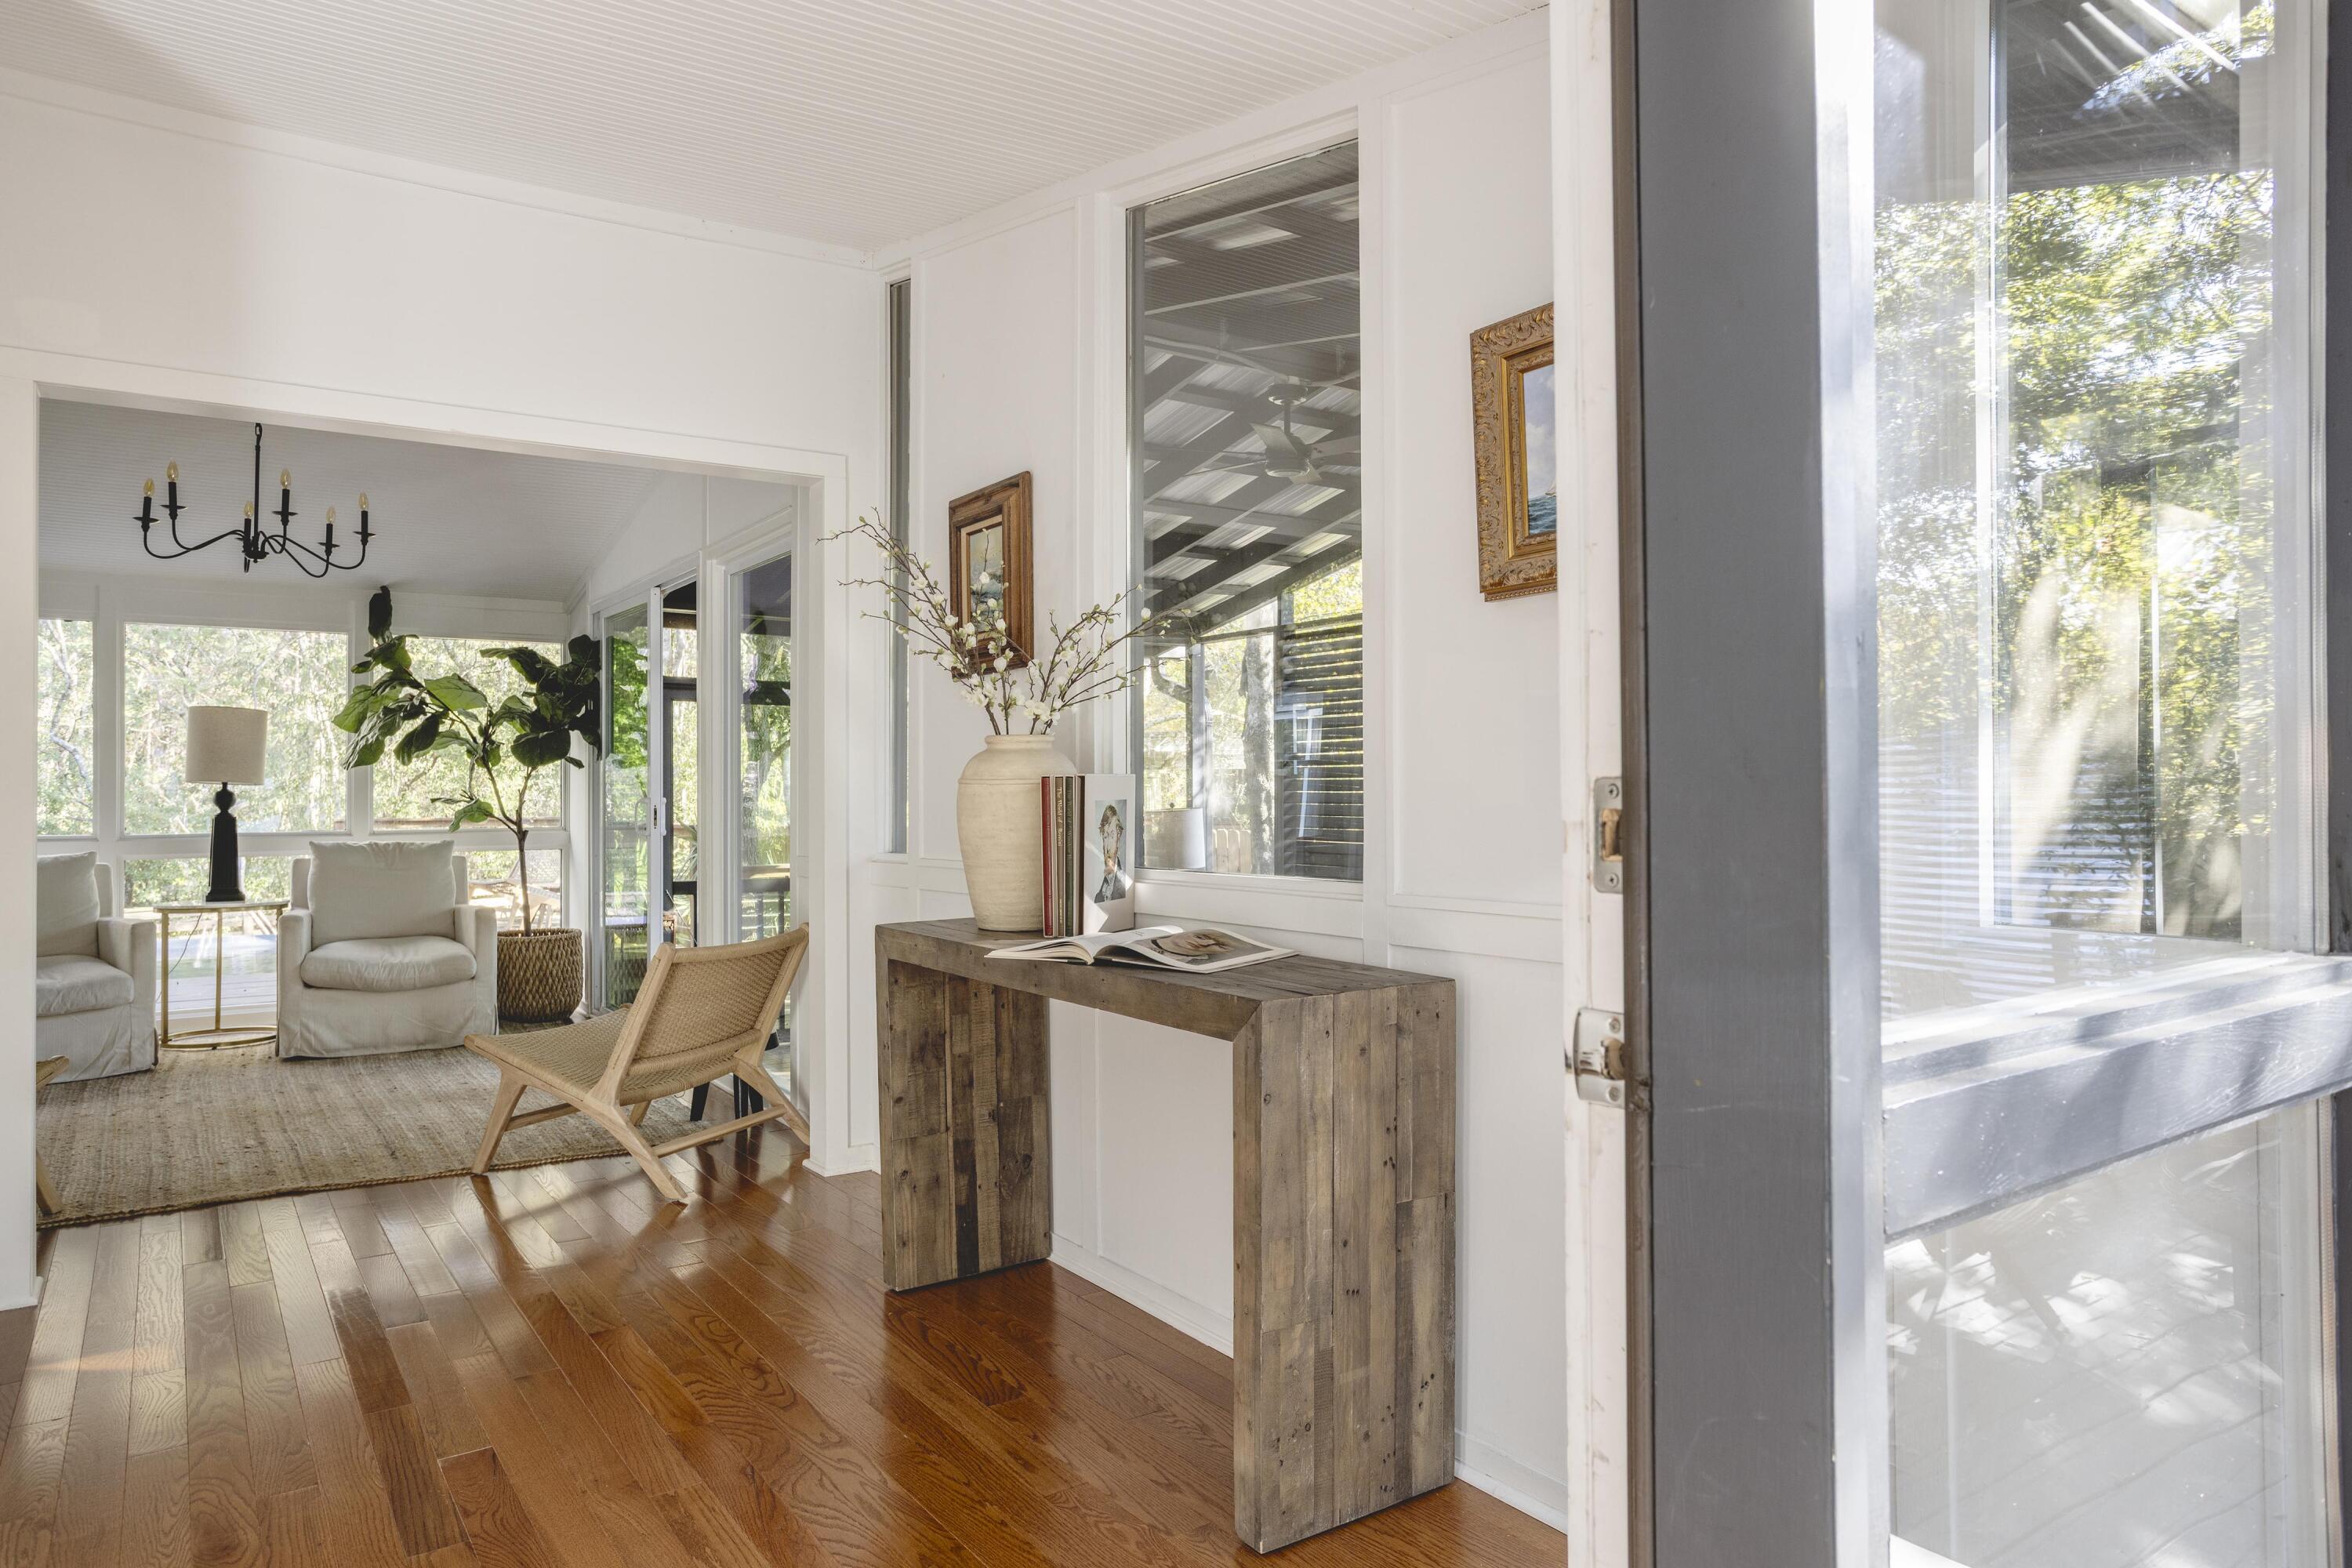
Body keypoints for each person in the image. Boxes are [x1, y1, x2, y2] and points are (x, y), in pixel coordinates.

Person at [1093, 800, 1131, 904]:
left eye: (1112, 836)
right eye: (1105, 837)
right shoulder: (1098, 897)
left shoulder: (1126, 888)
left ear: (1118, 837)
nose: (1108, 847)